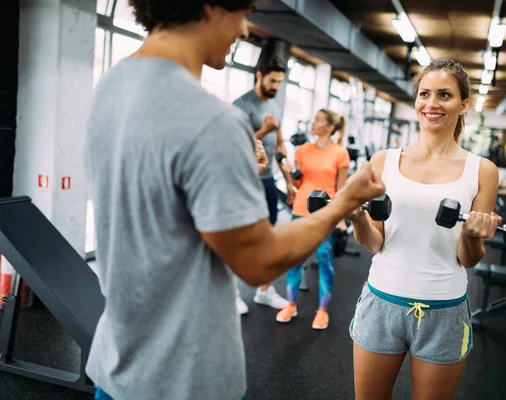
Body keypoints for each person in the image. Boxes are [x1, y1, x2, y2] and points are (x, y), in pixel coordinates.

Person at [82, 2, 386, 400]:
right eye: (241, 13)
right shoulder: (210, 120)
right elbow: (257, 261)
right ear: (209, 6)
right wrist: (343, 202)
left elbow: (163, 206)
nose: (244, 30)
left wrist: (243, 164)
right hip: (185, 379)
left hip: (118, 363)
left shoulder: (111, 84)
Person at [346, 59, 500, 400]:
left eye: (444, 95)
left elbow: (470, 259)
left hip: (444, 310)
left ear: (463, 105)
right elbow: (375, 242)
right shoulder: (383, 161)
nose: (431, 104)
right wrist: (357, 218)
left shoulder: (482, 170)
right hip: (381, 301)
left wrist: (473, 235)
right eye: (424, 94)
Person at [275, 108, 350, 330]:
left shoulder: (340, 153)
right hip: (300, 209)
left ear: (329, 127)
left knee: (324, 260)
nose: (313, 123)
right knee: (294, 259)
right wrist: (288, 172)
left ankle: (322, 310)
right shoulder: (303, 151)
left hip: (324, 214)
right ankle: (290, 304)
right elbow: (298, 184)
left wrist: (340, 217)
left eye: (318, 120)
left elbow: (342, 190)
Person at [232, 56, 293, 315]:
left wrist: (289, 181)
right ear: (259, 75)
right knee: (237, 237)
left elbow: (279, 145)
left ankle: (265, 291)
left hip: (267, 179)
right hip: (243, 179)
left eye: (280, 81)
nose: (276, 86)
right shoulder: (241, 105)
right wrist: (263, 130)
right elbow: (232, 143)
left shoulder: (276, 104)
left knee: (268, 236)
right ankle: (230, 293)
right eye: (272, 80)